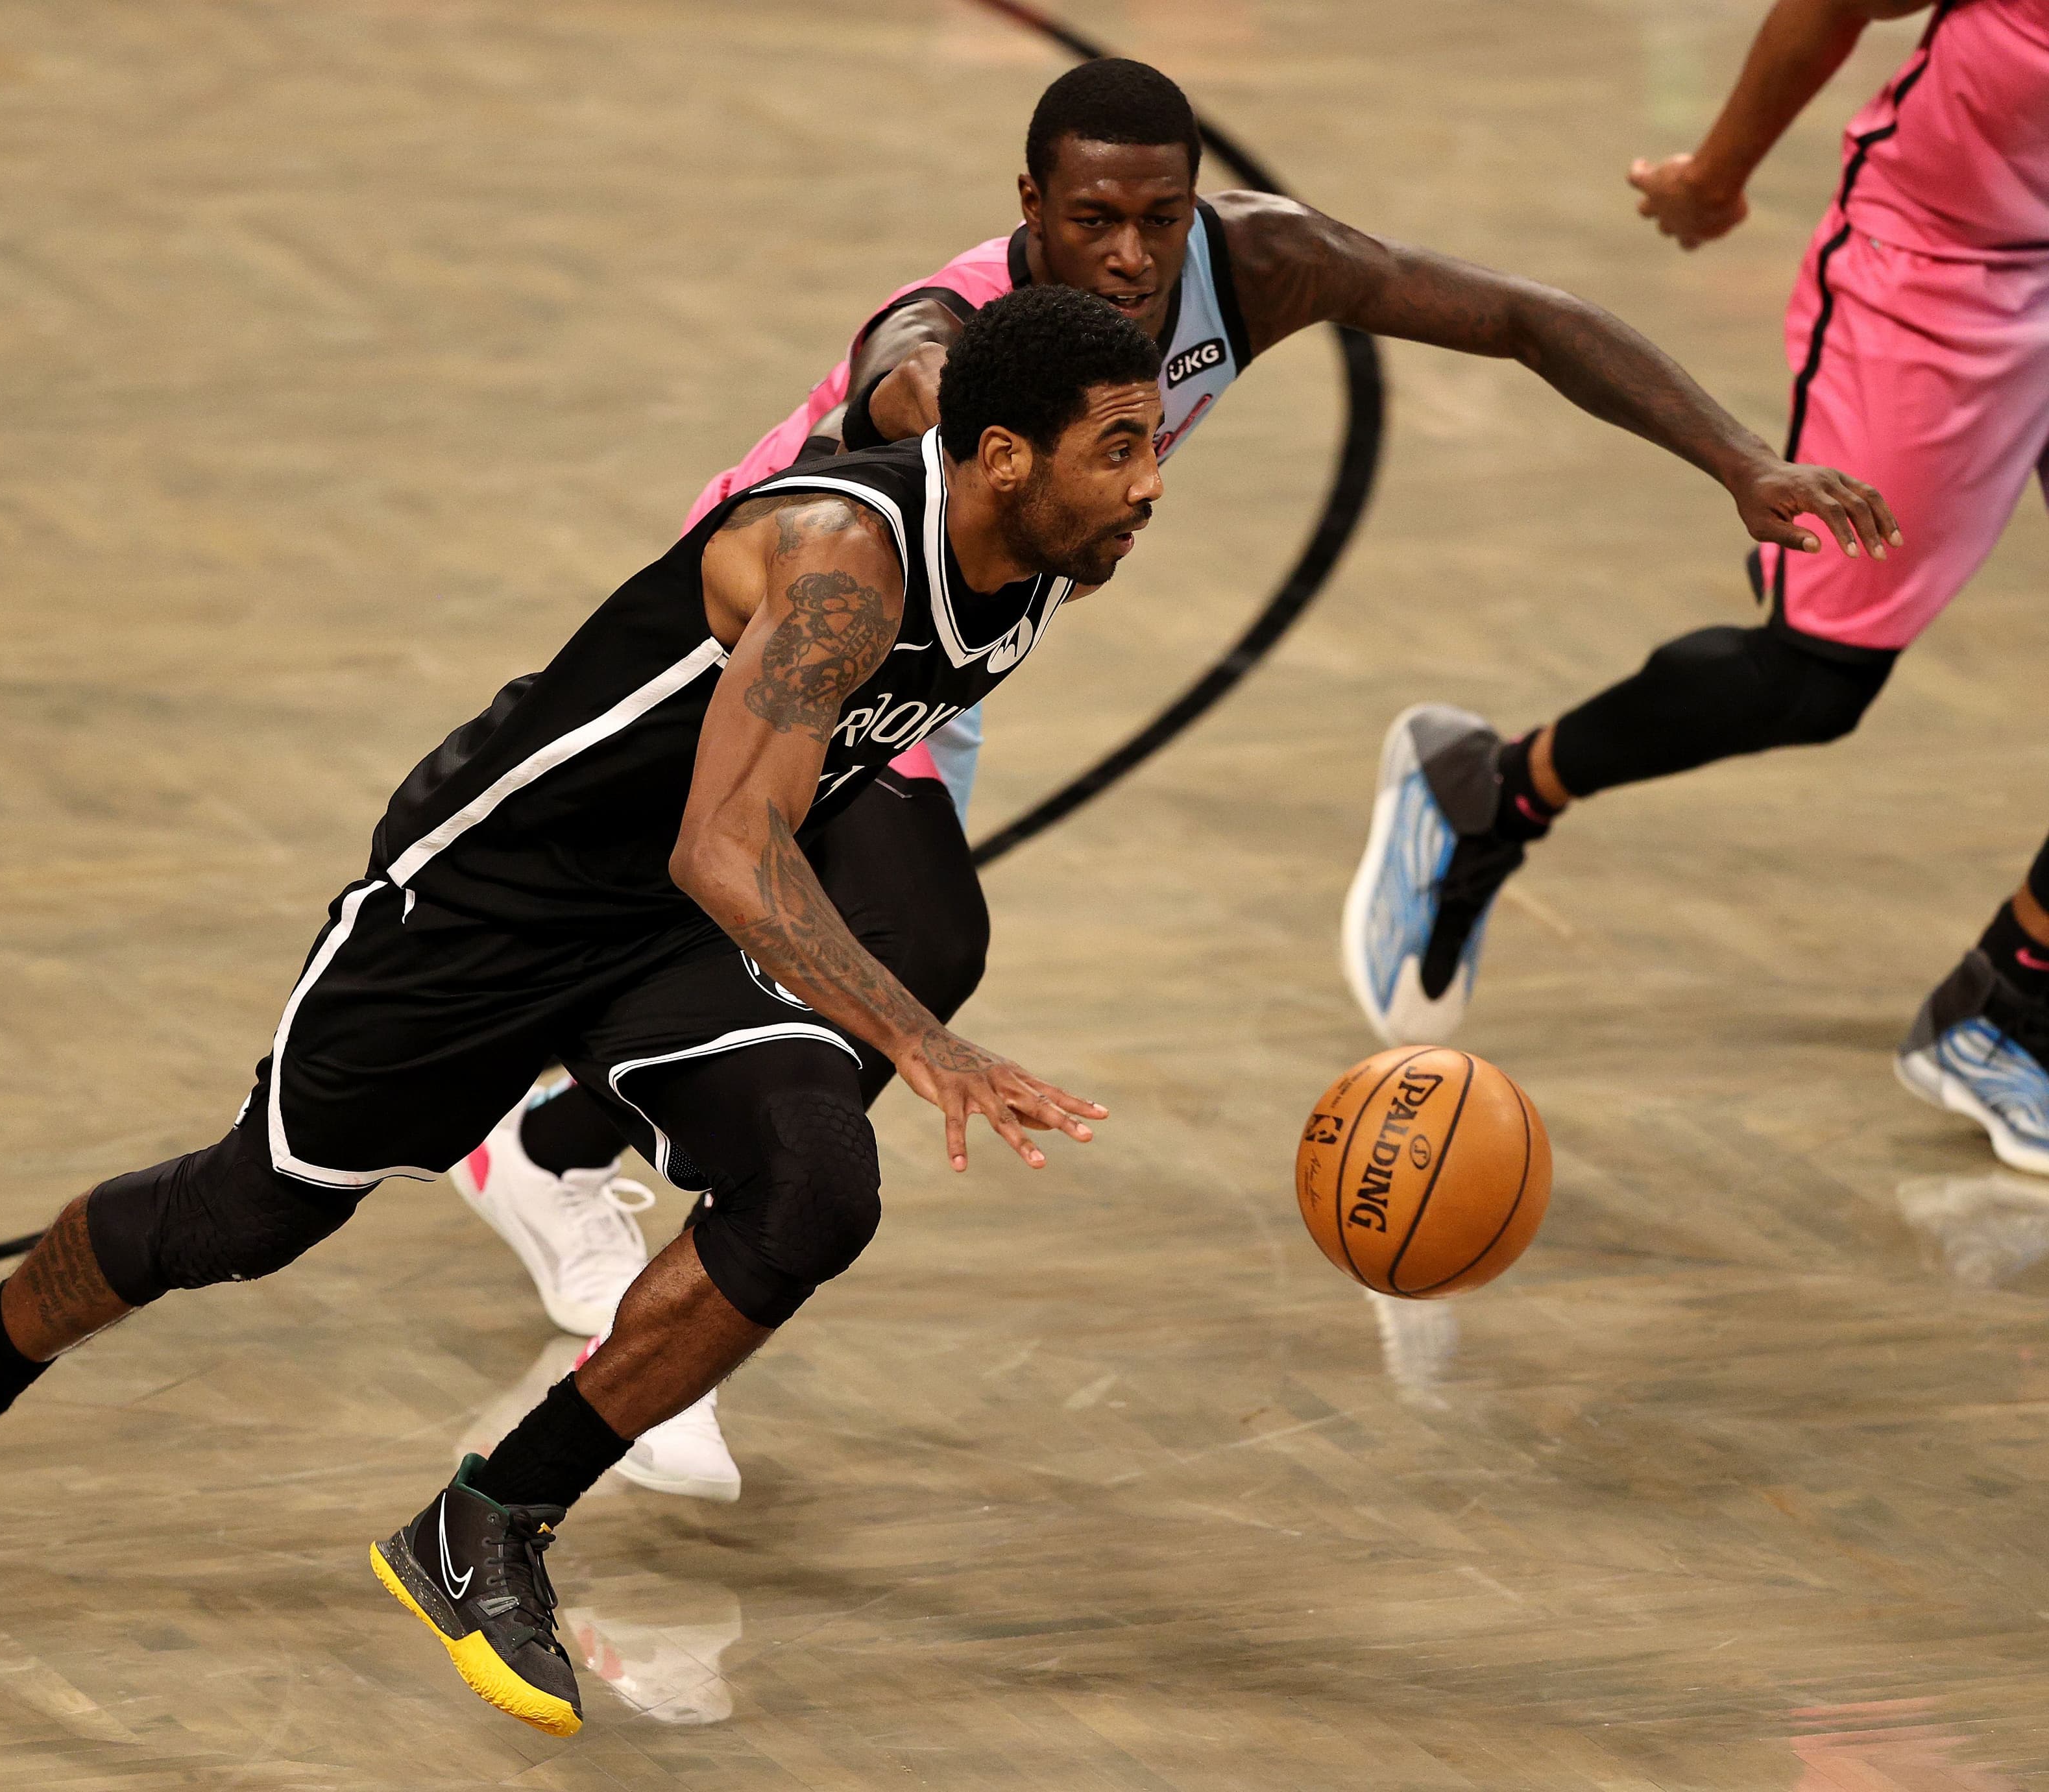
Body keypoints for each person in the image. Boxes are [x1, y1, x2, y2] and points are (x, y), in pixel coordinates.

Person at [459, 53, 1900, 1497]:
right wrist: (937, 417)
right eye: (1095, 218)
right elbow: (909, 383)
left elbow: (1525, 316)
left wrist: (1734, 459)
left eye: (1163, 214)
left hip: (929, 678)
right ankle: (603, 1253)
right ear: (1032, 208)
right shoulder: (943, 335)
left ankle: (560, 1148)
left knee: (907, 950)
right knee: (867, 935)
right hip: (772, 645)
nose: (1135, 254)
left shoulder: (1256, 269)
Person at [0, 286, 1154, 1733]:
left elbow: (920, 391)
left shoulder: (1042, 549)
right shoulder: (846, 563)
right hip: (489, 903)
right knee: (244, 1213)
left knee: (817, 1183)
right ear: (1008, 456)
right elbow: (728, 841)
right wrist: (920, 1033)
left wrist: (923, 366)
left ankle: (492, 1518)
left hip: (664, 930)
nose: (1152, 482)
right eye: (1124, 447)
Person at [1339, 0, 2046, 1178]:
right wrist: (1714, 181)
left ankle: (2007, 1004)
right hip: (1944, 271)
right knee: (1814, 679)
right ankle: (1490, 792)